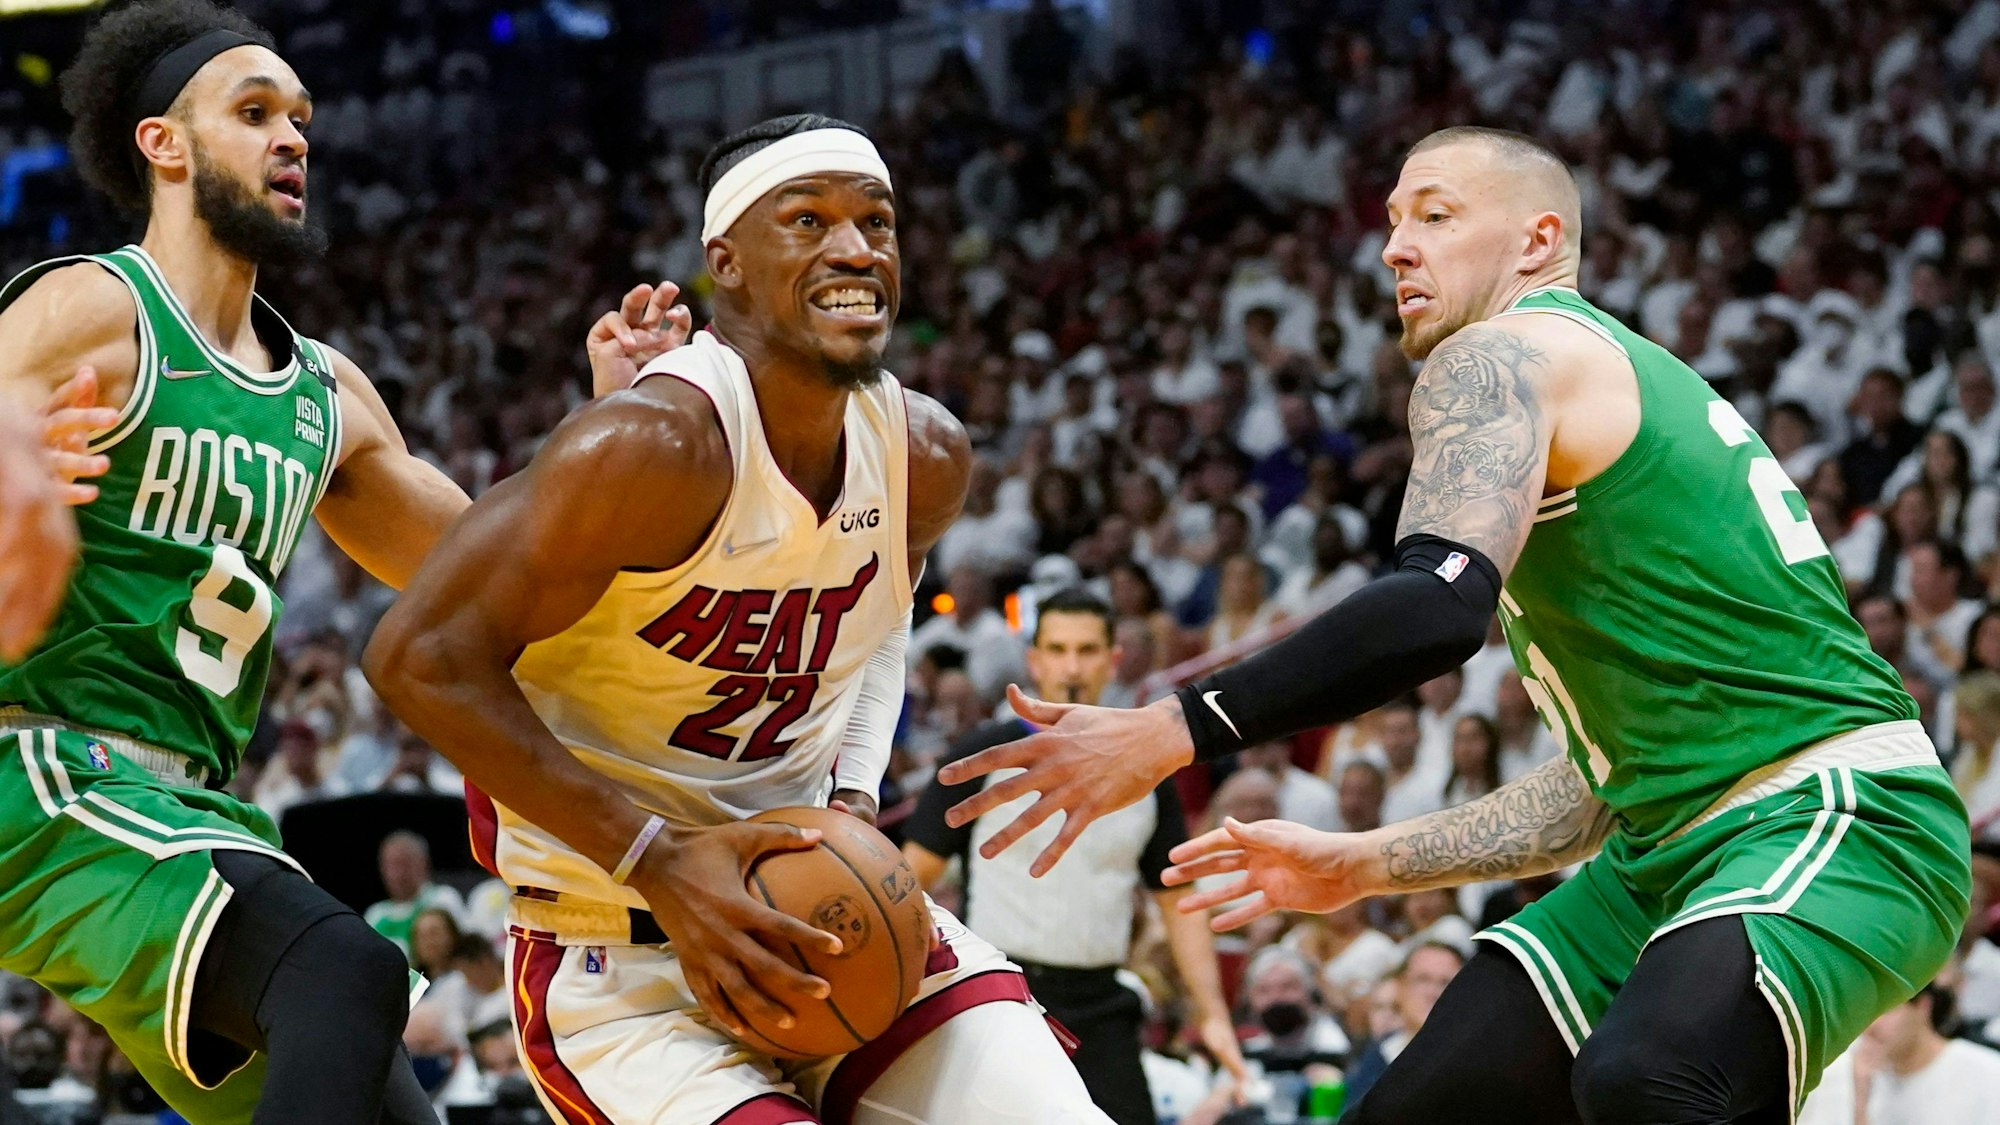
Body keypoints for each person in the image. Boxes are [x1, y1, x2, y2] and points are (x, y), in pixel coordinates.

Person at [940, 126, 1972, 1122]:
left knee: (1646, 1078)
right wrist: (1359, 865)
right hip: (1672, 848)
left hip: (1838, 811)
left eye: (1434, 214)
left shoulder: (1507, 354)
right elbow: (1595, 794)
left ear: (1536, 242)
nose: (1394, 244)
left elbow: (1431, 608)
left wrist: (1169, 729)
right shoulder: (1602, 399)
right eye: (1391, 219)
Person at [0, 4, 685, 1120]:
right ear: (161, 143)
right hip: (41, 780)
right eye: (254, 111)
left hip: (196, 816)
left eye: (301, 120)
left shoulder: (325, 396)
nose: (293, 140)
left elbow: (488, 574)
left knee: (378, 1099)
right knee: (347, 965)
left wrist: (612, 436)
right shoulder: (93, 306)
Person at [364, 114, 1111, 1125]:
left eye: (876, 223)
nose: (854, 249)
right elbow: (418, 659)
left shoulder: (922, 452)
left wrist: (851, 795)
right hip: (619, 957)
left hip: (826, 914)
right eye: (807, 221)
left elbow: (876, 629)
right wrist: (659, 864)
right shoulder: (645, 446)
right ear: (728, 265)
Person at [901, 588, 1247, 1125]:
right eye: (1058, 649)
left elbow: (1177, 899)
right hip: (998, 995)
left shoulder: (1149, 773)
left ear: (1112, 661)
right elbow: (907, 880)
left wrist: (1213, 1013)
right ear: (1034, 660)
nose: (1071, 665)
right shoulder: (983, 753)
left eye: (1086, 650)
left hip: (1102, 1006)